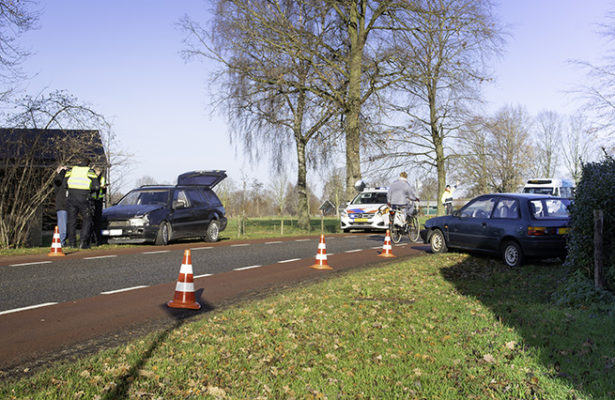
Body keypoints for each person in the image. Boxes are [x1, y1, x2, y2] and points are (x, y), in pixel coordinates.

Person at [65, 158, 99, 249]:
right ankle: (83, 242)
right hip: (84, 197)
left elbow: (65, 184)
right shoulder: (90, 171)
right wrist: (89, 189)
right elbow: (96, 187)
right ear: (88, 164)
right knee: (87, 219)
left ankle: (72, 243)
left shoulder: (71, 170)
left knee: (71, 221)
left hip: (71, 197)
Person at [90, 166, 107, 246]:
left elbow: (104, 191)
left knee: (98, 221)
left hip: (99, 201)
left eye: (99, 171)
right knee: (91, 221)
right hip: (92, 200)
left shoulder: (102, 179)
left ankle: (98, 240)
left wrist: (103, 188)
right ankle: (92, 239)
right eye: (97, 171)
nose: (98, 173)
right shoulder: (92, 178)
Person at [53, 165, 69, 247]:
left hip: (68, 205)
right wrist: (62, 171)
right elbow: (58, 179)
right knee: (63, 226)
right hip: (62, 206)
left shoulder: (67, 180)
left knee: (67, 225)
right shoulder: (58, 180)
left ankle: (64, 241)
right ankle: (61, 242)